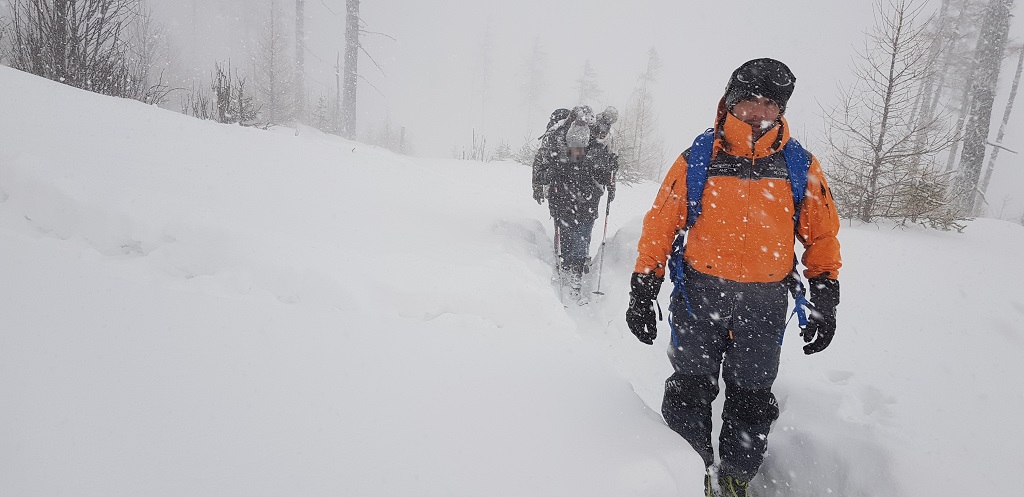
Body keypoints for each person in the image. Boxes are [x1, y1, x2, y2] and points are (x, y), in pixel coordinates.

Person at [624, 58, 841, 497]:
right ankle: (690, 472)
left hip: (764, 304)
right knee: (689, 390)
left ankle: (737, 476)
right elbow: (661, 224)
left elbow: (822, 235)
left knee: (752, 397)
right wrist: (643, 290)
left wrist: (825, 297)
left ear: (781, 110)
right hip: (699, 296)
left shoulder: (799, 165)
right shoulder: (699, 158)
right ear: (730, 102)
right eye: (750, 101)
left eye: (770, 103)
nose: (760, 112)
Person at [532, 105, 619, 303]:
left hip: (584, 201)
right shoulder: (558, 146)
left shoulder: (595, 148)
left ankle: (575, 273)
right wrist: (551, 176)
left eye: (580, 148)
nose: (576, 152)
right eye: (573, 149)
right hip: (566, 201)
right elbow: (543, 170)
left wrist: (610, 176)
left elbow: (604, 174)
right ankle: (566, 265)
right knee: (570, 237)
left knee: (581, 238)